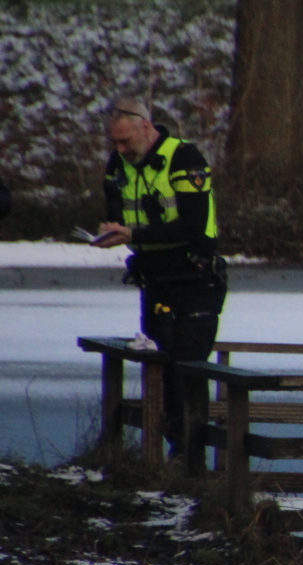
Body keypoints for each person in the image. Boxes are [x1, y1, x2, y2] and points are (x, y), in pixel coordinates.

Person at [90, 96, 227, 459]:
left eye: (126, 141)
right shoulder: (118, 165)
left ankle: (190, 468)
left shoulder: (184, 159)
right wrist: (111, 230)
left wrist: (133, 235)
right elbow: (117, 211)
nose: (121, 149)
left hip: (196, 280)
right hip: (155, 282)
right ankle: (172, 464)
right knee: (162, 380)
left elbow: (195, 225)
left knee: (186, 378)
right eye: (115, 143)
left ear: (146, 127)